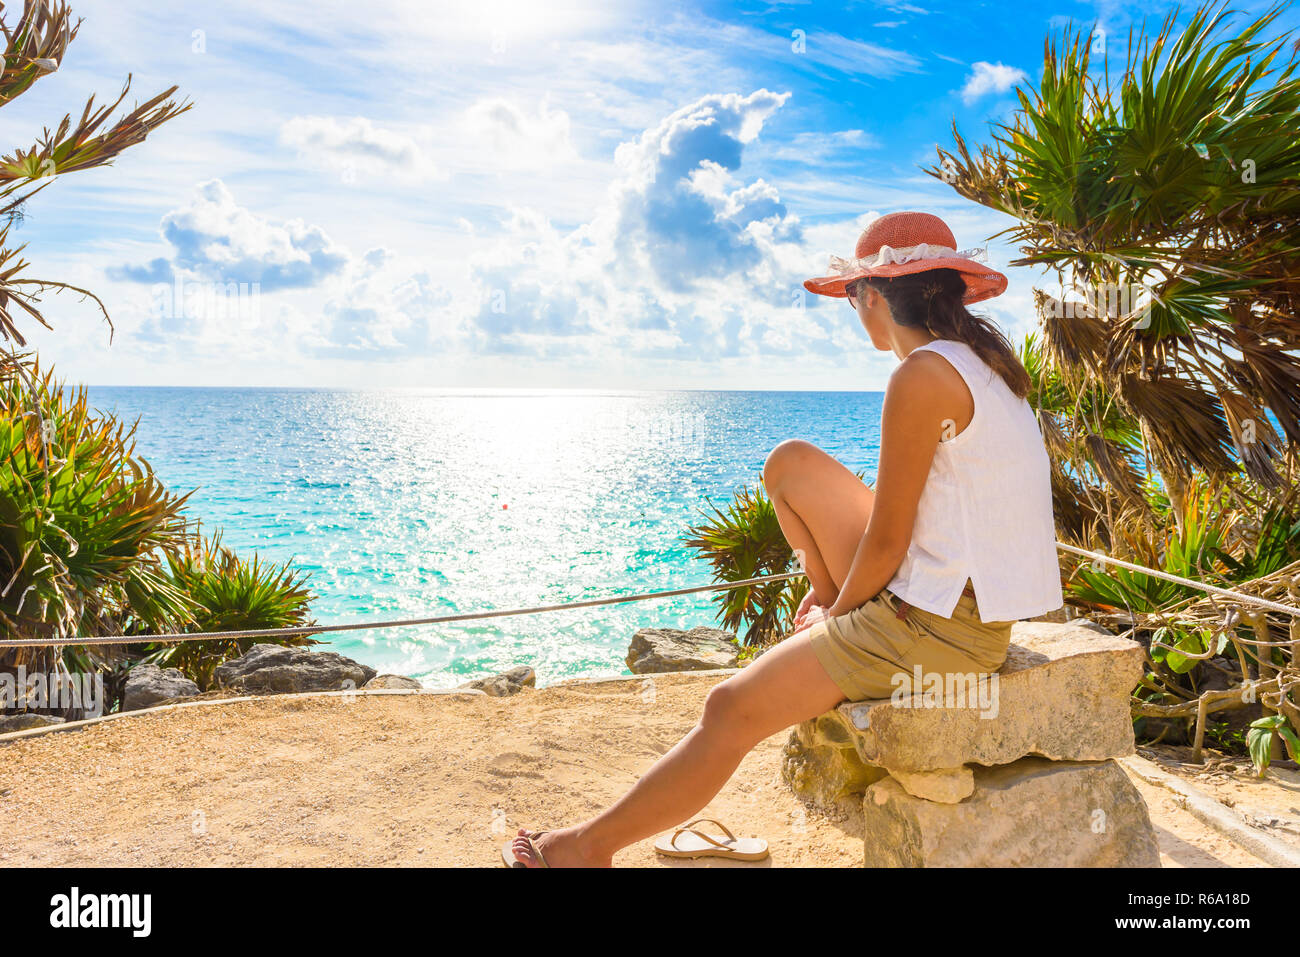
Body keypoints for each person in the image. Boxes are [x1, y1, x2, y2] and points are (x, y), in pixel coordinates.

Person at [506, 210, 1063, 867]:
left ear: (874, 297)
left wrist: (836, 615)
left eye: (854, 295)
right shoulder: (983, 365)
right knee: (789, 462)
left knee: (729, 707)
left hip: (938, 627)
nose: (854, 309)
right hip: (954, 605)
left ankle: (582, 851)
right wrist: (832, 599)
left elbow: (886, 542)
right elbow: (908, 521)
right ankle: (825, 620)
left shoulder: (918, 377)